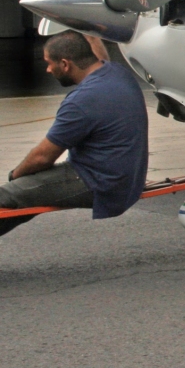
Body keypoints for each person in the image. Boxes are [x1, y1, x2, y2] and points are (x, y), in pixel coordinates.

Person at [0, 31, 149, 237]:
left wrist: (14, 176)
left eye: (50, 63)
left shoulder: (81, 102)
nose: (48, 69)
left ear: (65, 64)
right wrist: (86, 29)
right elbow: (100, 54)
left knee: (7, 196)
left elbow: (42, 157)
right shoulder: (115, 72)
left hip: (98, 181)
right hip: (125, 175)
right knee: (25, 200)